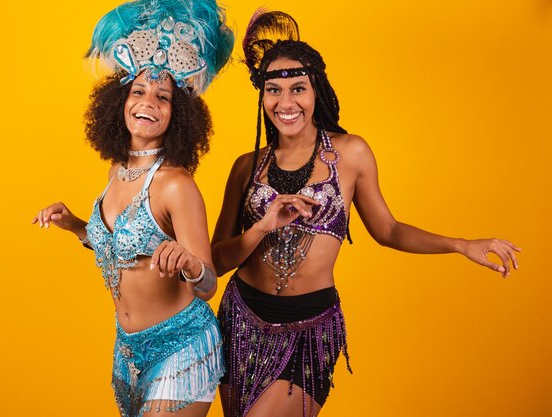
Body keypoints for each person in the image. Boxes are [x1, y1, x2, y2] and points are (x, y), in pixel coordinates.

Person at [212, 10, 520, 417]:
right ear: (262, 96)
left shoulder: (351, 153)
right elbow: (215, 261)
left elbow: (388, 230)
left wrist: (462, 245)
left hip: (310, 328)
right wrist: (264, 225)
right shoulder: (245, 166)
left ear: (315, 91)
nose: (285, 103)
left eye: (298, 89)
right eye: (273, 90)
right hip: (241, 319)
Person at [32, 1, 233, 416]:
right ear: (120, 101)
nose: (148, 103)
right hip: (127, 349)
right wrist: (76, 226)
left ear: (177, 116)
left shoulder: (176, 185)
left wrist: (190, 264)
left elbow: (208, 282)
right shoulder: (118, 170)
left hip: (182, 344)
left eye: (163, 97)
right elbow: (123, 249)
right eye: (138, 91)